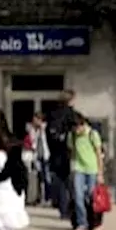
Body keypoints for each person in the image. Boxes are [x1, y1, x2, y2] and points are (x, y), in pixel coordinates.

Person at [69, 112, 106, 230]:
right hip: (79, 168)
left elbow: (98, 154)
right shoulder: (73, 136)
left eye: (77, 127)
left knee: (92, 197)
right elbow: (72, 152)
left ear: (82, 124)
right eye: (74, 128)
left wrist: (100, 173)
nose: (76, 130)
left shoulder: (92, 134)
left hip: (92, 169)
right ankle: (82, 223)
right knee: (78, 197)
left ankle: (95, 222)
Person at [44, 90, 78, 220]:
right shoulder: (71, 115)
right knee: (71, 183)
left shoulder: (52, 114)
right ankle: (72, 208)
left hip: (55, 153)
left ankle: (62, 209)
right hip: (69, 153)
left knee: (60, 183)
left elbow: (48, 135)